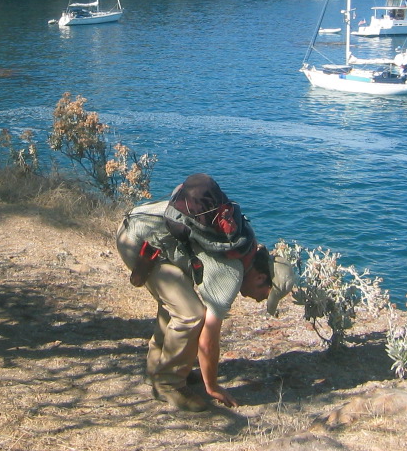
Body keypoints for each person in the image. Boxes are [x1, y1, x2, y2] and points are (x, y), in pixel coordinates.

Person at [116, 173, 294, 412]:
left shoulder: (245, 241)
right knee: (190, 314)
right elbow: (209, 340)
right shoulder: (231, 273)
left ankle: (158, 369)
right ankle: (168, 384)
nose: (259, 299)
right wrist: (212, 386)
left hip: (139, 225)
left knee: (177, 304)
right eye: (265, 294)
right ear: (261, 277)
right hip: (138, 242)